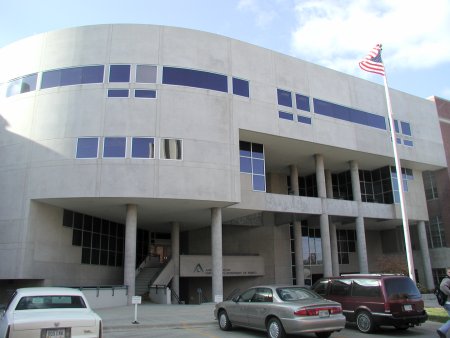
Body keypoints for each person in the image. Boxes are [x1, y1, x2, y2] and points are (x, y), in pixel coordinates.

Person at [437, 267, 450, 338]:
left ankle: (442, 330)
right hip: (448, 303)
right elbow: (442, 286)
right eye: (449, 272)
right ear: (447, 273)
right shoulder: (447, 279)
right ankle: (442, 330)